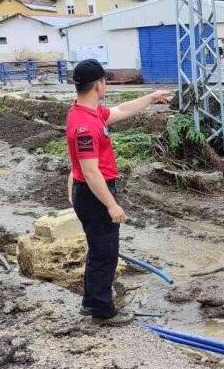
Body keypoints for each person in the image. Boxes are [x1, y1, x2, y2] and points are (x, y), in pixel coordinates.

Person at [65, 59, 170, 326]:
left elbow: (123, 109)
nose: (106, 85)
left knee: (98, 249)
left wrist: (151, 97)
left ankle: (91, 302)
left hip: (88, 193)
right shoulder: (84, 125)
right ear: (99, 84)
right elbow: (90, 172)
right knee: (106, 252)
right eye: (105, 81)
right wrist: (112, 205)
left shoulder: (88, 113)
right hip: (94, 193)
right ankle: (103, 311)